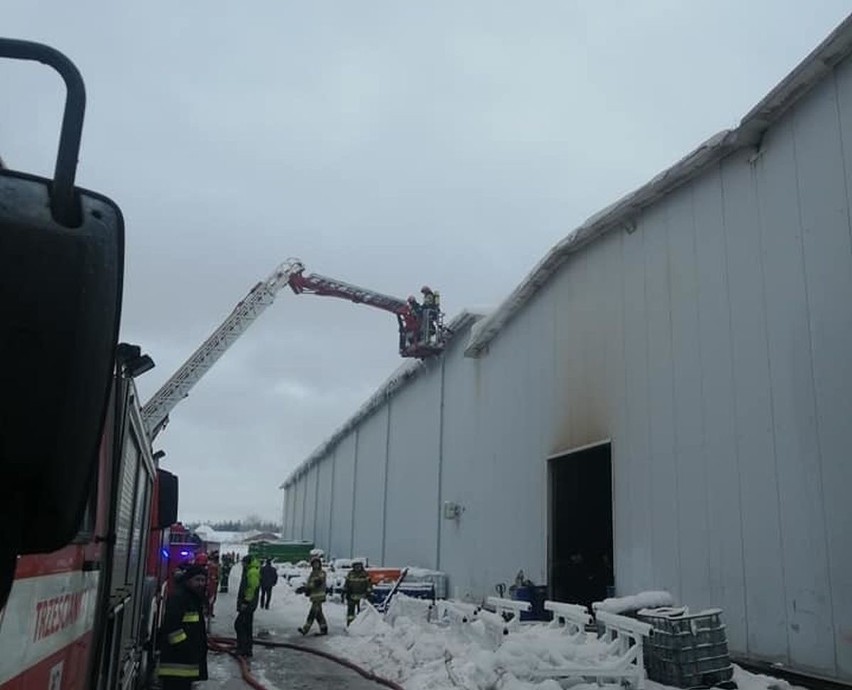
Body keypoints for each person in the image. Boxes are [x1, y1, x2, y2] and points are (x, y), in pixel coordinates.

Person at [157, 563, 208, 689]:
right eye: (197, 580)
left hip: (185, 665)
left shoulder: (193, 598)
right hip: (177, 663)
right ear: (188, 580)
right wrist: (187, 649)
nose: (201, 583)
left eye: (203, 580)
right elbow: (172, 628)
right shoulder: (180, 598)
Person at [234, 555, 260, 657]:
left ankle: (242, 648)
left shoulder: (252, 572)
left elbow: (251, 588)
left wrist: (245, 602)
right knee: (247, 626)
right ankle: (247, 649)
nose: (242, 565)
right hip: (249, 604)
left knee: (239, 625)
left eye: (243, 563)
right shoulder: (250, 570)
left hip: (248, 605)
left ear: (247, 562)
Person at [298, 556, 328, 636]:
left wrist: (306, 588)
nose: (316, 565)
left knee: (312, 613)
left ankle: (305, 629)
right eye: (314, 564)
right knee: (318, 614)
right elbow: (309, 583)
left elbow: (317, 582)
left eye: (317, 563)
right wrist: (306, 588)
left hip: (319, 597)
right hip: (314, 597)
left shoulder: (322, 572)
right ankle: (324, 629)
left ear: (320, 564)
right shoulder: (312, 574)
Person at [343, 559, 372, 626]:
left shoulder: (365, 574)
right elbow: (346, 584)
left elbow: (369, 584)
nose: (357, 568)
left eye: (359, 566)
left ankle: (361, 626)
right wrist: (345, 591)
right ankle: (350, 625)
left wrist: (368, 593)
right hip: (352, 596)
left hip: (362, 597)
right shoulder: (350, 574)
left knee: (361, 613)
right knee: (350, 614)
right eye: (356, 566)